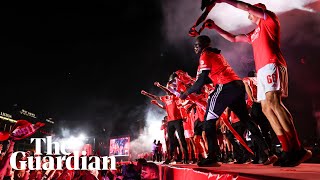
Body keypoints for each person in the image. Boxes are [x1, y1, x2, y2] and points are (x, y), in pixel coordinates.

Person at [202, 0, 312, 166]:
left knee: (274, 104)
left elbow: (245, 6)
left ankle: (297, 149)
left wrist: (223, 0)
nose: (249, 13)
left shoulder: (269, 19)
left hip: (272, 64)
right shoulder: (254, 33)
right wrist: (215, 27)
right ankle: (287, 149)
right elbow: (233, 38)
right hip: (262, 70)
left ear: (259, 10)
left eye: (253, 10)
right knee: (267, 108)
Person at [180, 35, 276, 167]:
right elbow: (208, 78)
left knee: (208, 122)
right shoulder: (215, 53)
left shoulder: (205, 54)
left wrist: (186, 92)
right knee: (246, 119)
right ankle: (268, 152)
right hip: (237, 85)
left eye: (197, 45)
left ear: (202, 45)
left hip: (225, 86)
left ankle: (212, 157)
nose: (195, 48)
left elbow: (202, 80)